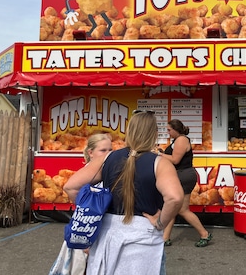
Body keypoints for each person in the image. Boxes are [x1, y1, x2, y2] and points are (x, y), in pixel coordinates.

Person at [63, 111, 184, 275]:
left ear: (129, 131)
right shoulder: (160, 163)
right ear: (154, 134)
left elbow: (71, 187)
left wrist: (89, 216)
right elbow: (175, 197)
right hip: (144, 235)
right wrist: (160, 222)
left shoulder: (107, 158)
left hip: (107, 233)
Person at [49, 133, 113, 275]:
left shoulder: (106, 170)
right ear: (90, 152)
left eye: (110, 150)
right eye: (103, 150)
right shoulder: (90, 173)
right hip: (87, 230)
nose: (108, 154)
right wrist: (84, 209)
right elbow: (70, 188)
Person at [157, 119, 213, 248]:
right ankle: (165, 238)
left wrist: (159, 154)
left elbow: (175, 160)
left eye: (169, 130)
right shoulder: (178, 140)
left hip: (183, 176)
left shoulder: (182, 140)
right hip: (182, 175)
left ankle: (204, 234)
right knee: (173, 207)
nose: (168, 132)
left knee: (182, 209)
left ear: (176, 129)